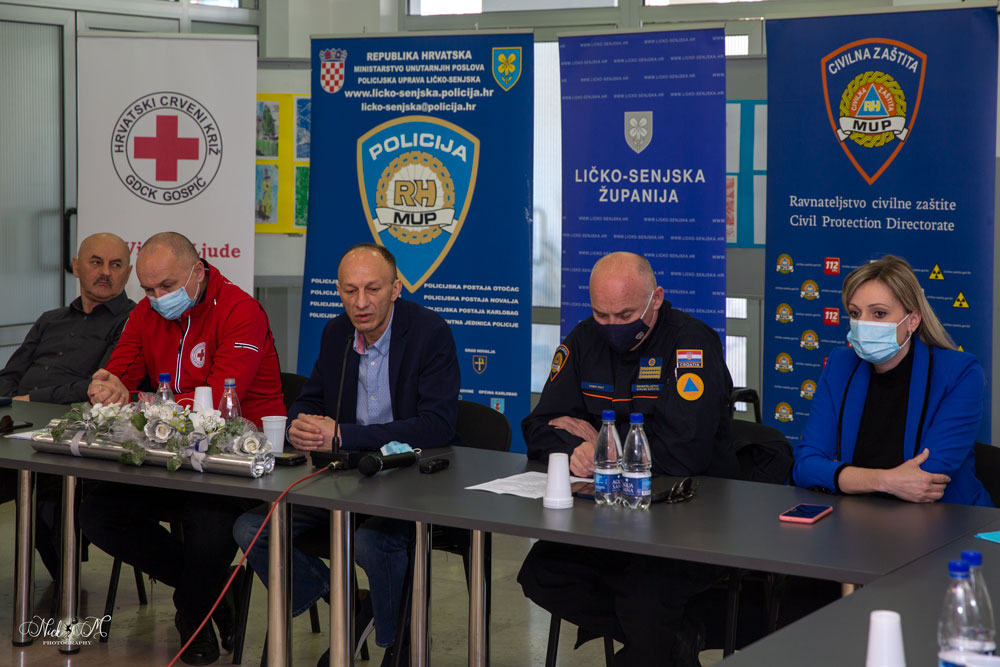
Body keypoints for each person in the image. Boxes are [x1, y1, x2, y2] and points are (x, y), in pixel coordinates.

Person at [233, 243, 461, 667]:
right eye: (350, 291)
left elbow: (438, 426)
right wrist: (300, 424)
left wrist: (344, 434)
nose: (361, 303)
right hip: (343, 478)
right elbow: (310, 398)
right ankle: (350, 605)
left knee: (373, 542)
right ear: (338, 291)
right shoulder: (336, 332)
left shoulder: (429, 333)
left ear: (396, 289)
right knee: (252, 528)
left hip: (406, 480)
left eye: (373, 289)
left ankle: (396, 644)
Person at [517, 251, 738, 667]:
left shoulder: (691, 344)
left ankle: (658, 643)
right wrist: (574, 447)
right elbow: (539, 426)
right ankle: (676, 639)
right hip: (606, 517)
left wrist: (601, 444)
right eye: (601, 314)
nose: (612, 326)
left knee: (644, 594)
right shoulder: (583, 339)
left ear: (656, 299)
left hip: (686, 520)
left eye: (624, 315)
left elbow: (683, 452)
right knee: (543, 572)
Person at [79, 232, 285, 666]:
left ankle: (193, 615)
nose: (158, 298)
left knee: (209, 520)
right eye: (148, 289)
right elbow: (120, 373)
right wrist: (106, 386)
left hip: (237, 458)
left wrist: (136, 400)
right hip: (169, 456)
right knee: (98, 512)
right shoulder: (144, 313)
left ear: (198, 271)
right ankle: (215, 590)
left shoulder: (241, 311)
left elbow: (219, 401)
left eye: (167, 286)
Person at [792, 254, 990, 507]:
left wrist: (846, 478)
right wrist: (884, 481)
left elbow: (926, 479)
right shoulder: (840, 365)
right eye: (855, 313)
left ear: (913, 320)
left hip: (946, 519)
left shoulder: (958, 373)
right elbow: (805, 465)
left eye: (879, 313)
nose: (863, 323)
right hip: (860, 517)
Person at [0, 232, 134, 579]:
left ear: (128, 272)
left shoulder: (132, 322)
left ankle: (65, 586)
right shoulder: (51, 319)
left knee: (48, 494)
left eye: (115, 265)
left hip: (71, 434)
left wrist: (30, 400)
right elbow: (10, 374)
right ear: (76, 266)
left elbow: (98, 388)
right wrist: (9, 401)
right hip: (15, 424)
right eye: (96, 262)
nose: (105, 272)